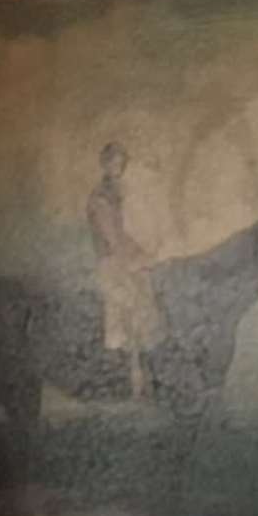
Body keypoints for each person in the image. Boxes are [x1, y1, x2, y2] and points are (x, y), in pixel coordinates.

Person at [86, 139, 157, 387]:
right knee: (125, 303)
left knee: (147, 293)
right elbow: (111, 237)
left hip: (121, 258)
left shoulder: (118, 195)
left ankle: (146, 365)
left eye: (121, 164)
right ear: (104, 165)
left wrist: (143, 254)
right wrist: (134, 258)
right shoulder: (100, 198)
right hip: (109, 261)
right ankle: (120, 366)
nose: (117, 169)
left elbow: (124, 235)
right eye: (113, 164)